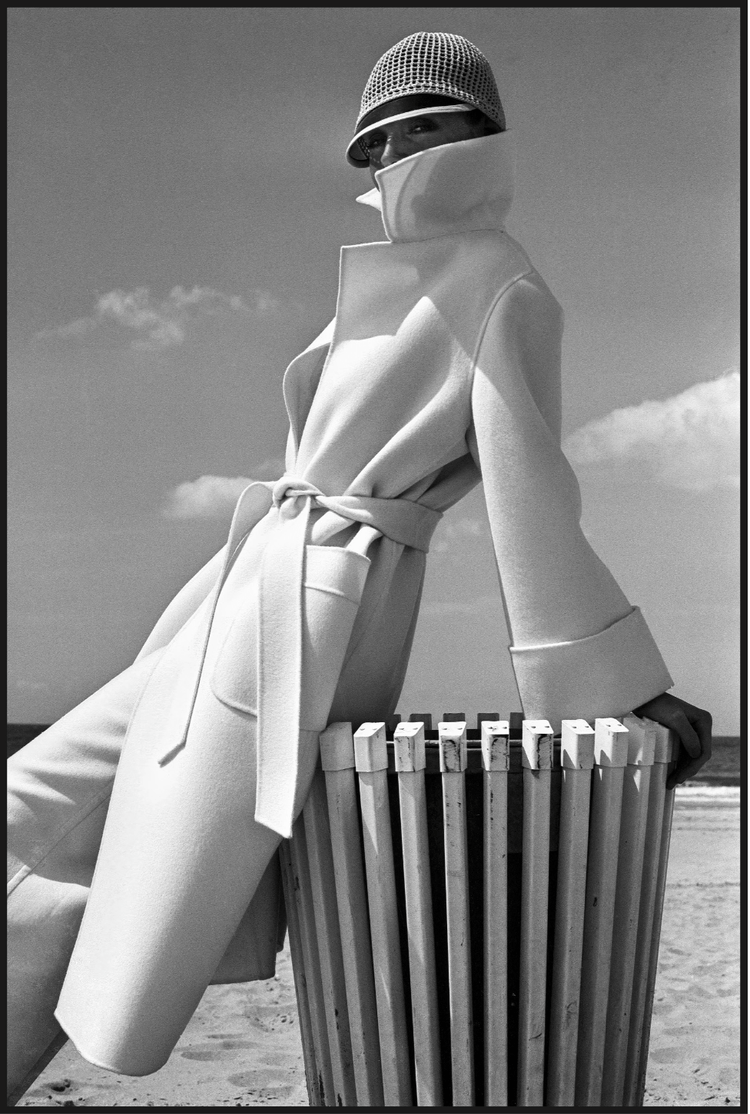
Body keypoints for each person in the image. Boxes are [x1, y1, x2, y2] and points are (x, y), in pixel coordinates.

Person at [7, 30, 711, 1100]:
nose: (406, 149)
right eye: (387, 135)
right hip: (252, 581)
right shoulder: (401, 278)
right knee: (52, 811)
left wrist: (621, 686)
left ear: (486, 136)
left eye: (433, 125)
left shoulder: (500, 285)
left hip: (313, 609)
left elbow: (531, 497)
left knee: (117, 855)